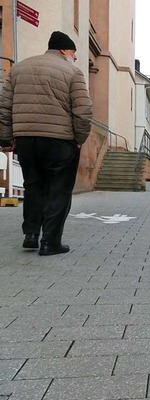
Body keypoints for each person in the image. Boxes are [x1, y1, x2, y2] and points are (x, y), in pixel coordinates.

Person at [0, 31, 92, 256]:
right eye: (73, 52)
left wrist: (5, 138)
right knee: (58, 190)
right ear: (63, 50)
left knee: (33, 186)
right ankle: (50, 242)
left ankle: (31, 234)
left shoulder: (18, 69)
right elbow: (83, 111)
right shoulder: (73, 72)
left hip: (26, 140)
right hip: (60, 140)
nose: (75, 57)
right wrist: (79, 140)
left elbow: (4, 107)